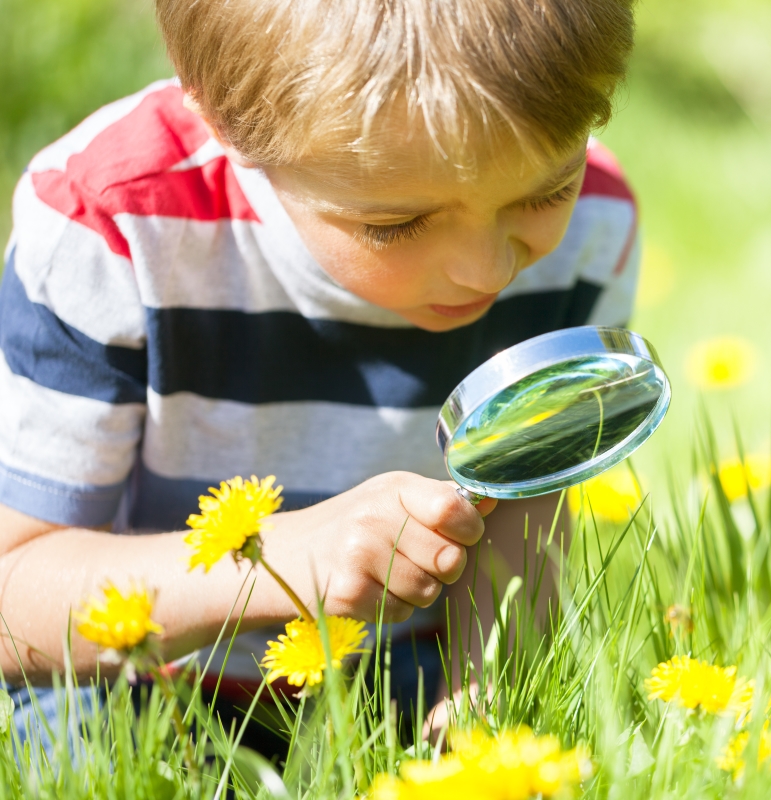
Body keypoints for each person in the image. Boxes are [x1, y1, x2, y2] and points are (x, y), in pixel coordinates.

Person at [0, 0, 638, 747]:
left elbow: (523, 501)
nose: (486, 268)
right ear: (225, 122)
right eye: (395, 224)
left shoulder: (594, 222)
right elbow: (14, 602)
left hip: (397, 673)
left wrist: (483, 690)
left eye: (544, 192)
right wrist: (286, 561)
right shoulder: (113, 224)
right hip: (124, 684)